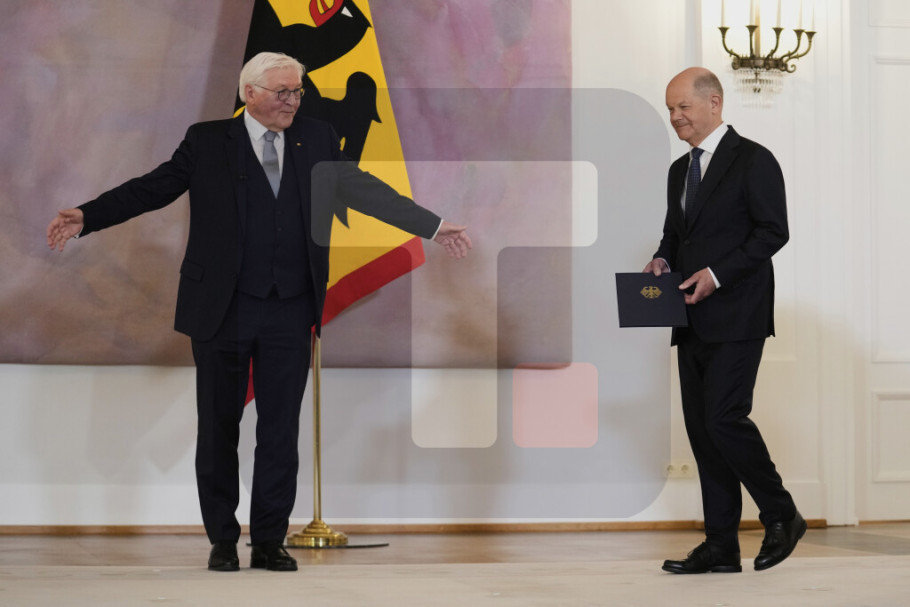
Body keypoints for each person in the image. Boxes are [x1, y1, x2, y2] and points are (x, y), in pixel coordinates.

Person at [46, 52, 472, 572]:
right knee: (218, 428)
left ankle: (269, 541)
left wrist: (433, 226)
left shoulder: (317, 138)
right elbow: (151, 188)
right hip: (221, 310)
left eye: (297, 92)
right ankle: (222, 540)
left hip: (290, 310)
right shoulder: (206, 141)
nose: (293, 101)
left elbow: (363, 190)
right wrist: (88, 216)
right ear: (249, 93)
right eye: (282, 92)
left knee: (279, 431)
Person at [644, 67, 804, 574]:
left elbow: (773, 231)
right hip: (688, 317)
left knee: (723, 419)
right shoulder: (679, 170)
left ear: (713, 103)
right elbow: (676, 235)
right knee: (702, 430)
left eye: (683, 107)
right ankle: (721, 547)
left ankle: (781, 514)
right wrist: (662, 260)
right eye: (670, 109)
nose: (675, 117)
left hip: (738, 314)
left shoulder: (754, 159)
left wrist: (716, 274)